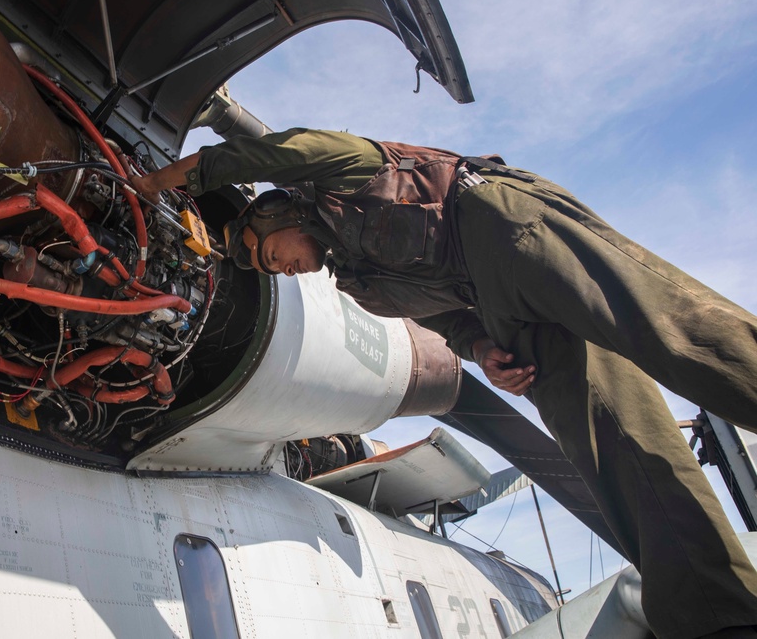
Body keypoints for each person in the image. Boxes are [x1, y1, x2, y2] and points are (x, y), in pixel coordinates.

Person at [130, 128, 757, 639]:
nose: (286, 270)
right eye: (276, 271)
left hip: (500, 226)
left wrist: (163, 181)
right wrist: (486, 351)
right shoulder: (361, 287)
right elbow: (450, 324)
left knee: (672, 332)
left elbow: (277, 151)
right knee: (606, 433)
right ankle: (716, 611)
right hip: (495, 310)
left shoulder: (340, 174)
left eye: (273, 255)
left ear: (278, 213)